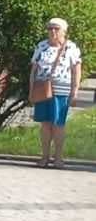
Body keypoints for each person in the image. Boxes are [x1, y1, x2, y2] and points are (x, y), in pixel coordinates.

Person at [30, 18, 82, 169]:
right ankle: (44, 157)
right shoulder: (42, 46)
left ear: (63, 31)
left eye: (56, 29)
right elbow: (34, 70)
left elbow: (76, 70)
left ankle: (58, 157)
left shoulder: (71, 47)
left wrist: (75, 90)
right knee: (45, 124)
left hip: (62, 91)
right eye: (50, 28)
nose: (52, 31)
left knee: (58, 124)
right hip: (42, 89)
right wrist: (31, 90)